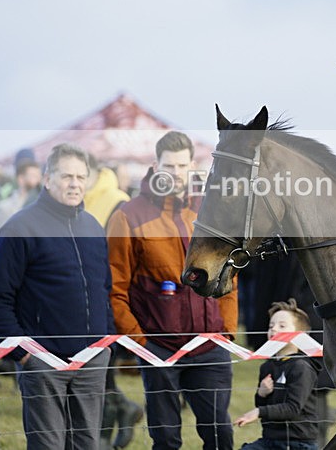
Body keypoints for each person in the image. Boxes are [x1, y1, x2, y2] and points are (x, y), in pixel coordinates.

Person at [107, 131, 237, 450]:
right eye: (169, 166)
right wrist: (140, 342)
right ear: (155, 165)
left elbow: (229, 275)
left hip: (209, 345)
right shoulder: (128, 216)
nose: (176, 173)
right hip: (159, 347)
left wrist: (227, 331)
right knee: (166, 439)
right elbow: (114, 286)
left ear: (192, 165)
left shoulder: (208, 209)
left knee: (221, 437)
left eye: (182, 166)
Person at [0, 143, 114, 449]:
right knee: (48, 446)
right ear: (47, 178)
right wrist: (26, 356)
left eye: (81, 177)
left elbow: (103, 289)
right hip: (42, 363)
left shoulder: (93, 227)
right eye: (67, 176)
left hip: (92, 361)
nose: (75, 184)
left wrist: (105, 344)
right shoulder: (19, 228)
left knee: (88, 444)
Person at [83, 153, 142, 450]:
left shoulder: (116, 201)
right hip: (88, 295)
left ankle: (102, 438)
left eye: (81, 175)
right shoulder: (85, 200)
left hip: (112, 295)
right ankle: (124, 410)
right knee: (97, 373)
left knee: (101, 370)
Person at [234, 299, 322, 450]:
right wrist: (261, 394)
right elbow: (263, 405)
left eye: (282, 326)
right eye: (271, 325)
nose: (274, 329)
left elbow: (293, 408)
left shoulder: (301, 367)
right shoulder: (266, 367)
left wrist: (258, 411)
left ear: (299, 335)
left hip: (298, 443)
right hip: (270, 440)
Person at [0, 160, 42, 246]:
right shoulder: (5, 207)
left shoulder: (44, 204)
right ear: (21, 179)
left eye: (39, 176)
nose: (38, 180)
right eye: (34, 176)